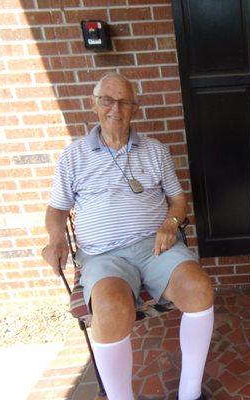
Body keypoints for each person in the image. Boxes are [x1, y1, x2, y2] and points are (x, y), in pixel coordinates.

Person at [42, 72, 213, 400]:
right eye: (107, 100)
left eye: (123, 101)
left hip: (156, 246)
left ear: (135, 108)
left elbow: (178, 199)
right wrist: (57, 238)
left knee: (199, 288)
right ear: (94, 105)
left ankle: (190, 394)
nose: (115, 108)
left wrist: (170, 223)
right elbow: (56, 209)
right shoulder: (73, 156)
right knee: (109, 309)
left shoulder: (155, 151)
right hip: (103, 255)